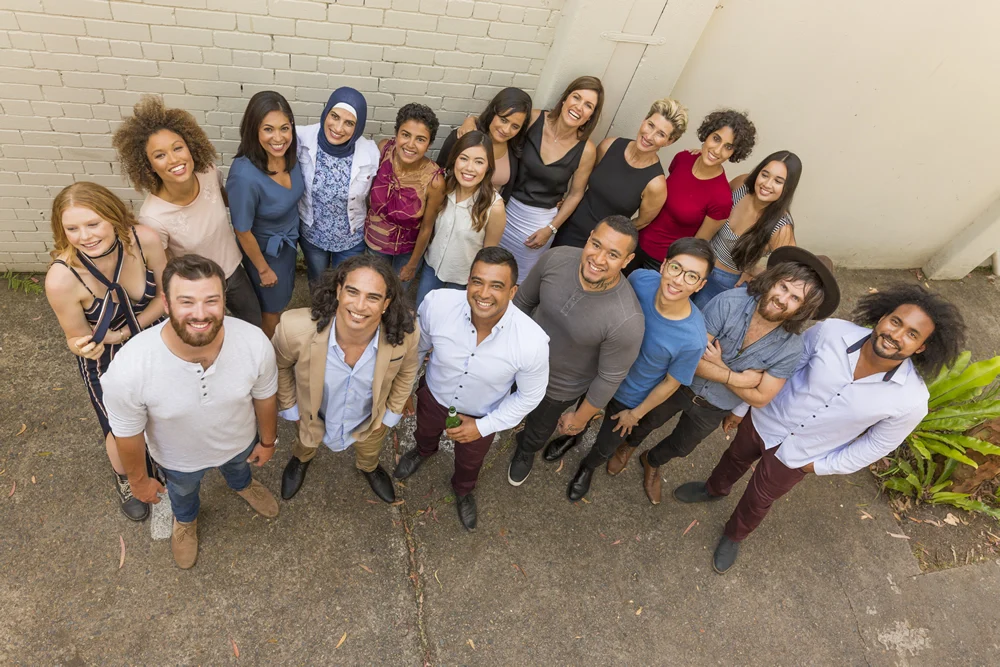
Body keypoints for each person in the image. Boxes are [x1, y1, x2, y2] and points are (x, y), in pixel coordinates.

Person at [674, 282, 965, 574]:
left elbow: (876, 445)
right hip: (765, 419)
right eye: (896, 322)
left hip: (803, 455)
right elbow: (782, 369)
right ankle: (713, 489)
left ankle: (734, 535)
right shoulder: (831, 333)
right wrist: (741, 408)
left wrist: (821, 466)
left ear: (922, 347)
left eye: (912, 334)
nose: (896, 335)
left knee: (760, 499)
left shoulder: (912, 400)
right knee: (734, 457)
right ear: (882, 318)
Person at [606, 247, 837, 504]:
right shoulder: (730, 302)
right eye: (783, 287)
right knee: (648, 421)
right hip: (681, 385)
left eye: (795, 298)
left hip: (715, 407)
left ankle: (651, 460)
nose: (783, 299)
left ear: (803, 310)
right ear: (773, 280)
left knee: (682, 447)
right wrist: (739, 379)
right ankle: (628, 446)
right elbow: (691, 361)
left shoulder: (791, 348)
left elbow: (761, 399)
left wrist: (719, 366)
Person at [102, 255, 280, 570]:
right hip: (178, 460)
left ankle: (242, 485)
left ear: (225, 300)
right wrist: (139, 481)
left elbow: (265, 397)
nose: (200, 314)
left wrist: (267, 442)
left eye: (211, 300)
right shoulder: (129, 368)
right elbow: (126, 434)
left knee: (240, 469)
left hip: (239, 443)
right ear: (166, 304)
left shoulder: (254, 343)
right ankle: (185, 520)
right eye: (186, 301)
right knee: (183, 493)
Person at [395, 247, 549, 529]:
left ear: (513, 291)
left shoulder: (532, 342)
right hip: (433, 395)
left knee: (469, 462)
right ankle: (423, 451)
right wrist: (405, 390)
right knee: (424, 432)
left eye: (496, 286)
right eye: (477, 281)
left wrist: (483, 427)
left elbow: (530, 396)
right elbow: (418, 349)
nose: (483, 293)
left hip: (482, 415)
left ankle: (463, 489)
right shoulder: (437, 303)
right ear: (468, 280)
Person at [44, 182, 167, 522]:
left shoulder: (145, 240)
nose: (84, 236)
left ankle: (162, 461)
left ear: (113, 217)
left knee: (163, 411)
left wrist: (127, 331)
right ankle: (127, 477)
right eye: (72, 228)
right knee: (120, 429)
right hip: (107, 360)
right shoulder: (62, 278)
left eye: (93, 223)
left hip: (154, 338)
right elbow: (75, 337)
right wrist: (81, 345)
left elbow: (165, 297)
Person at [564, 238, 712, 501]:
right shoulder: (641, 279)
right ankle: (572, 437)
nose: (678, 281)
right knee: (581, 411)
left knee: (607, 444)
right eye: (676, 268)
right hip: (599, 373)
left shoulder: (693, 339)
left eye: (692, 277)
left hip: (631, 397)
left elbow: (671, 383)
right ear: (664, 265)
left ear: (701, 285)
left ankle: (587, 467)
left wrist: (636, 413)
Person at [507, 215, 644, 486]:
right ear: (589, 236)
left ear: (627, 261)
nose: (599, 258)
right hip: (517, 360)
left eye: (613, 254)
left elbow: (609, 378)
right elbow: (523, 302)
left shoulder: (627, 320)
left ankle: (525, 450)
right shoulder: (556, 258)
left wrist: (580, 418)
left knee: (537, 429)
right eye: (596, 244)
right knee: (500, 400)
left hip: (557, 389)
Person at [273, 254, 420, 504]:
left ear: (386, 303)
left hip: (369, 420)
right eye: (353, 292)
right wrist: (291, 409)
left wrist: (390, 415)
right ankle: (301, 459)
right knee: (305, 443)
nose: (360, 306)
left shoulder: (405, 333)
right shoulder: (293, 328)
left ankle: (369, 466)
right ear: (339, 291)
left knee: (370, 449)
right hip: (313, 416)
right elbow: (279, 366)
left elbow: (408, 371)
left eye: (373, 297)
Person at [111, 95, 262, 328]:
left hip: (233, 271)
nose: (173, 159)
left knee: (253, 323)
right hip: (197, 287)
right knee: (210, 335)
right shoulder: (153, 217)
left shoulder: (209, 172)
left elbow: (231, 202)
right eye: (160, 155)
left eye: (177, 148)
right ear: (148, 165)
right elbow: (163, 269)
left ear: (190, 147)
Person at [497, 76, 603, 283]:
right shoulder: (534, 120)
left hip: (538, 227)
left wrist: (551, 229)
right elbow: (499, 129)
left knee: (518, 282)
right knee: (488, 268)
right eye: (576, 97)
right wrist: (470, 122)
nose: (579, 107)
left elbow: (576, 193)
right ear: (565, 99)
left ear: (591, 115)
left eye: (588, 105)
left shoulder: (586, 150)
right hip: (504, 209)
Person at [631, 109, 757, 273]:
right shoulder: (683, 159)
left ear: (734, 153)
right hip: (635, 241)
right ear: (707, 134)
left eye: (728, 147)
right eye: (716, 139)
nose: (717, 150)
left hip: (661, 264)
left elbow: (698, 243)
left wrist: (672, 268)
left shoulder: (721, 198)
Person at [553, 98, 687, 249]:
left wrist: (611, 238)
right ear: (644, 120)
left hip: (600, 245)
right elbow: (581, 182)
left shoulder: (656, 184)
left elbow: (642, 221)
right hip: (566, 226)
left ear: (669, 141)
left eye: (661, 134)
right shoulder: (609, 146)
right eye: (650, 125)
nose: (649, 136)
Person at [228, 90, 305, 339]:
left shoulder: (290, 155)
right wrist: (263, 269)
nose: (279, 138)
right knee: (270, 311)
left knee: (281, 300)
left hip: (288, 244)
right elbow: (242, 229)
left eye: (285, 128)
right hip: (266, 253)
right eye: (268, 129)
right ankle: (267, 353)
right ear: (254, 130)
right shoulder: (244, 175)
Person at [693, 151, 801, 309]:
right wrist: (702, 159)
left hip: (724, 283)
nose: (767, 184)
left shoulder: (781, 227)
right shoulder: (741, 185)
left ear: (787, 188)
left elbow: (790, 272)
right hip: (699, 260)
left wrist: (755, 272)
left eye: (778, 181)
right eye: (765, 175)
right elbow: (713, 199)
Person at [296, 87, 380, 287]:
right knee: (318, 283)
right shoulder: (301, 139)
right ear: (326, 113)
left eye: (349, 123)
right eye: (334, 116)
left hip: (351, 239)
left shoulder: (370, 152)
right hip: (313, 235)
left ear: (358, 127)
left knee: (347, 286)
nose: (339, 128)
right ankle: (320, 314)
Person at [415, 131, 507, 307]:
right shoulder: (443, 188)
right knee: (421, 312)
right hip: (431, 269)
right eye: (464, 158)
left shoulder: (494, 207)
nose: (469, 168)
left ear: (488, 167)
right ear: (455, 159)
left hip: (463, 280)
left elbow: (488, 254)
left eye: (479, 162)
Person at [365, 103, 446, 292]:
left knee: (395, 296)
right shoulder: (384, 150)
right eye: (405, 134)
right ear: (396, 133)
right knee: (372, 291)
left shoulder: (434, 181)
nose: (410, 145)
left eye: (420, 139)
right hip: (374, 242)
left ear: (429, 144)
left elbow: (427, 227)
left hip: (407, 251)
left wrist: (412, 264)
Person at [440, 87, 532, 203]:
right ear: (493, 113)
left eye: (515, 126)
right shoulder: (465, 137)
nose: (506, 130)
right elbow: (439, 173)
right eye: (503, 120)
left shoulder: (515, 149)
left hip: (487, 216)